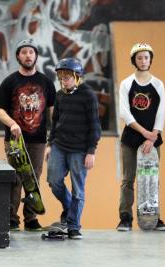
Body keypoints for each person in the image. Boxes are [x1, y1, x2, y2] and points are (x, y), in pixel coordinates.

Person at [0, 38, 56, 231]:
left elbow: (53, 113)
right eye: (24, 52)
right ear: (18, 56)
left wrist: (53, 140)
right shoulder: (10, 82)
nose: (28, 55)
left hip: (38, 140)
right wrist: (12, 123)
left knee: (34, 179)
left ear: (36, 56)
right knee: (16, 178)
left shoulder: (46, 82)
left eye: (31, 52)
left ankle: (31, 219)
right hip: (15, 141)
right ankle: (11, 219)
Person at [45, 57, 101, 239]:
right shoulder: (60, 95)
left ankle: (74, 226)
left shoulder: (88, 95)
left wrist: (91, 151)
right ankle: (69, 209)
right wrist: (49, 144)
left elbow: (95, 126)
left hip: (80, 150)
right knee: (54, 181)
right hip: (59, 145)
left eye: (67, 77)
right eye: (61, 77)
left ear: (77, 77)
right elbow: (54, 123)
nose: (63, 80)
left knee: (78, 189)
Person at [116, 43, 165, 232]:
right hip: (131, 137)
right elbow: (124, 113)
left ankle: (153, 216)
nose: (143, 61)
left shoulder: (158, 84)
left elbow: (161, 113)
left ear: (150, 59)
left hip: (152, 139)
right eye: (139, 58)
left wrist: (152, 136)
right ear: (134, 60)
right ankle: (125, 217)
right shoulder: (126, 83)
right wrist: (144, 133)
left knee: (152, 178)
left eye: (146, 57)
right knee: (128, 179)